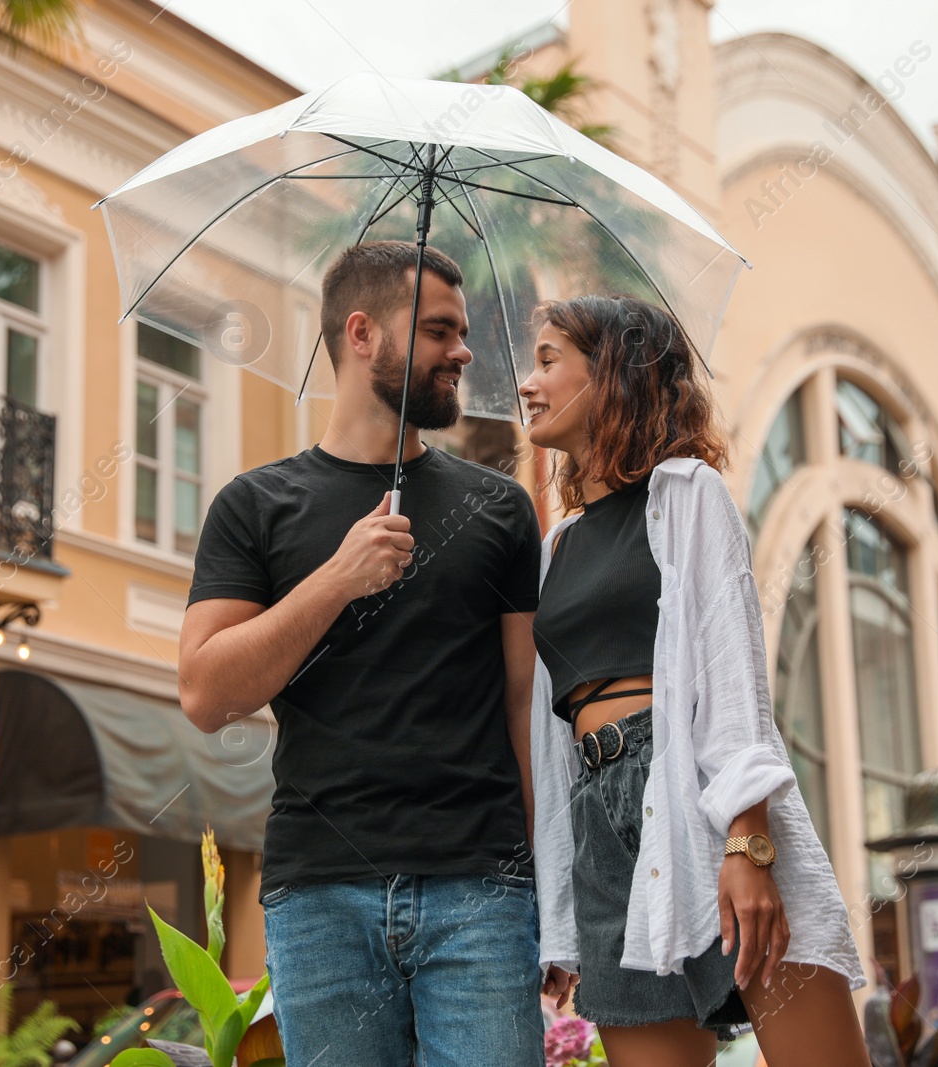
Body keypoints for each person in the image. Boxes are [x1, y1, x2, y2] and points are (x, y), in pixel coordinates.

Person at [179, 241, 546, 1067]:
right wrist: (336, 579)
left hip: (480, 889)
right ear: (362, 334)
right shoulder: (255, 505)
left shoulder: (502, 510)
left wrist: (540, 883)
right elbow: (205, 693)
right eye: (441, 330)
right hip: (319, 895)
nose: (464, 350)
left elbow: (527, 708)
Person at [519, 295, 869, 1066]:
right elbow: (551, 747)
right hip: (601, 827)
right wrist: (560, 916)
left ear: (609, 372)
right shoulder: (556, 548)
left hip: (700, 802)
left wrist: (749, 844)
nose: (527, 383)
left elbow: (734, 676)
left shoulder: (687, 495)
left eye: (547, 360)